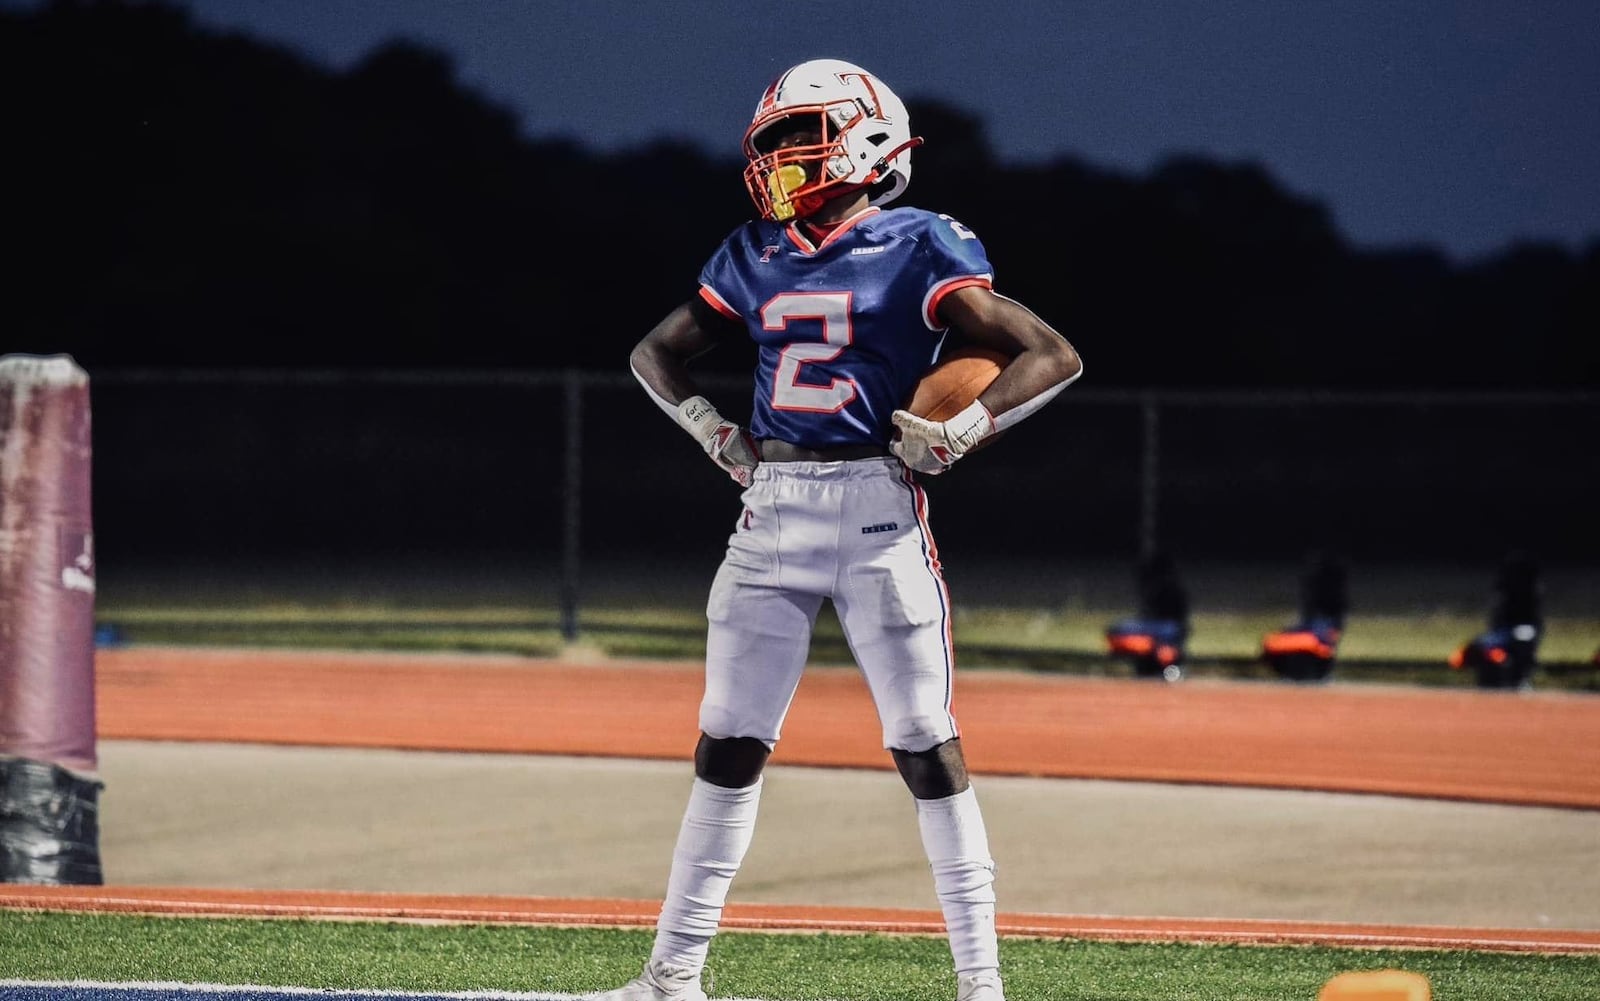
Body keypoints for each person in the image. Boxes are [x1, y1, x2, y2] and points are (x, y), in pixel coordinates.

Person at [600, 58, 1083, 1001]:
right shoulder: (753, 250)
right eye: (774, 141)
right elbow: (656, 352)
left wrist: (964, 426)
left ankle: (982, 987)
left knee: (924, 740)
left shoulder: (921, 240)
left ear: (866, 137)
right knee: (727, 740)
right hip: (770, 507)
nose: (781, 157)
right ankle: (670, 977)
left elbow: (1051, 353)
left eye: (801, 134)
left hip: (875, 505)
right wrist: (711, 428)